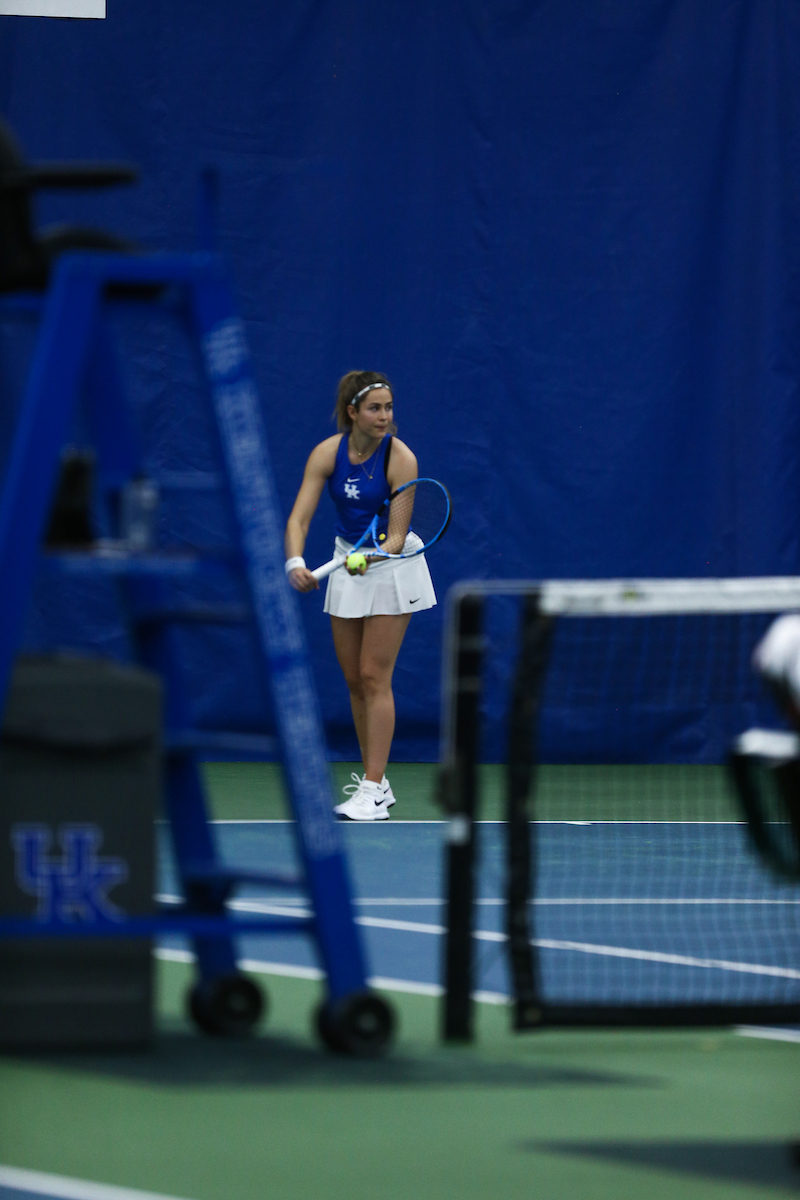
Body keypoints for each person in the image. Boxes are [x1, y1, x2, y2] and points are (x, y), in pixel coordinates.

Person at [284, 370, 437, 820]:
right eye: (375, 408)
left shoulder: (401, 459)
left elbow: (396, 535)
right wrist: (296, 562)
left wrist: (371, 557)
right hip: (345, 559)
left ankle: (371, 788)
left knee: (374, 675)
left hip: (392, 565)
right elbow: (299, 519)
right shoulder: (326, 454)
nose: (385, 416)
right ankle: (379, 782)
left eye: (389, 408)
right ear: (352, 412)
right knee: (354, 679)